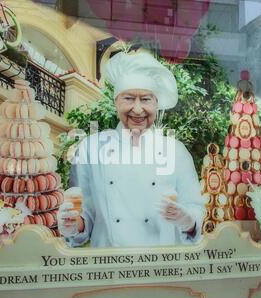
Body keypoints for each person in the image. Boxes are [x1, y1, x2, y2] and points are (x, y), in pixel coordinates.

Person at [57, 51, 204, 247]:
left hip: (161, 267)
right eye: (128, 98)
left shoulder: (176, 151)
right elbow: (85, 214)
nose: (137, 109)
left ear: (156, 104)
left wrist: (188, 220)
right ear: (116, 101)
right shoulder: (90, 148)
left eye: (145, 99)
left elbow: (194, 207)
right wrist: (74, 225)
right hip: (109, 266)